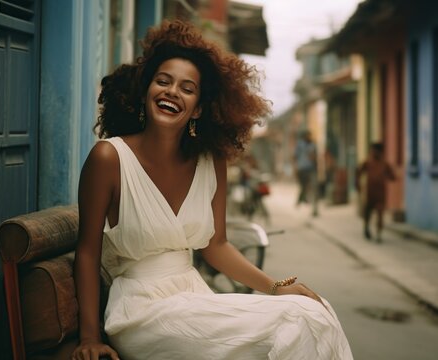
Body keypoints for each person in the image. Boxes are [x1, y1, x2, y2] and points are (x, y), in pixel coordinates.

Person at [72, 20, 352, 360]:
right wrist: (89, 338)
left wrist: (277, 287)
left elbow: (217, 246)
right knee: (295, 321)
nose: (173, 91)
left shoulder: (210, 161)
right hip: (141, 310)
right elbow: (87, 252)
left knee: (315, 311)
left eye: (187, 88)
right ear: (147, 90)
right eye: (163, 81)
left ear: (199, 108)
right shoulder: (109, 157)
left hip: (193, 294)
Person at [356, 142, 396, 243]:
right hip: (370, 193)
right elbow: (358, 172)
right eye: (373, 151)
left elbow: (392, 176)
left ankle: (378, 234)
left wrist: (393, 176)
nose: (374, 153)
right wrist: (358, 186)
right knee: (367, 213)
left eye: (376, 151)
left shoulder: (384, 164)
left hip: (380, 194)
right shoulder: (368, 162)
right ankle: (366, 228)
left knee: (380, 213)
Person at [294, 130, 318, 214]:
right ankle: (301, 200)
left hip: (311, 169)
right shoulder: (300, 145)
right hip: (302, 169)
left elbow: (315, 157)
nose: (309, 137)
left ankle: (314, 208)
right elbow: (295, 157)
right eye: (308, 136)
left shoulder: (313, 144)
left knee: (313, 187)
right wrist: (295, 168)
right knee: (303, 187)